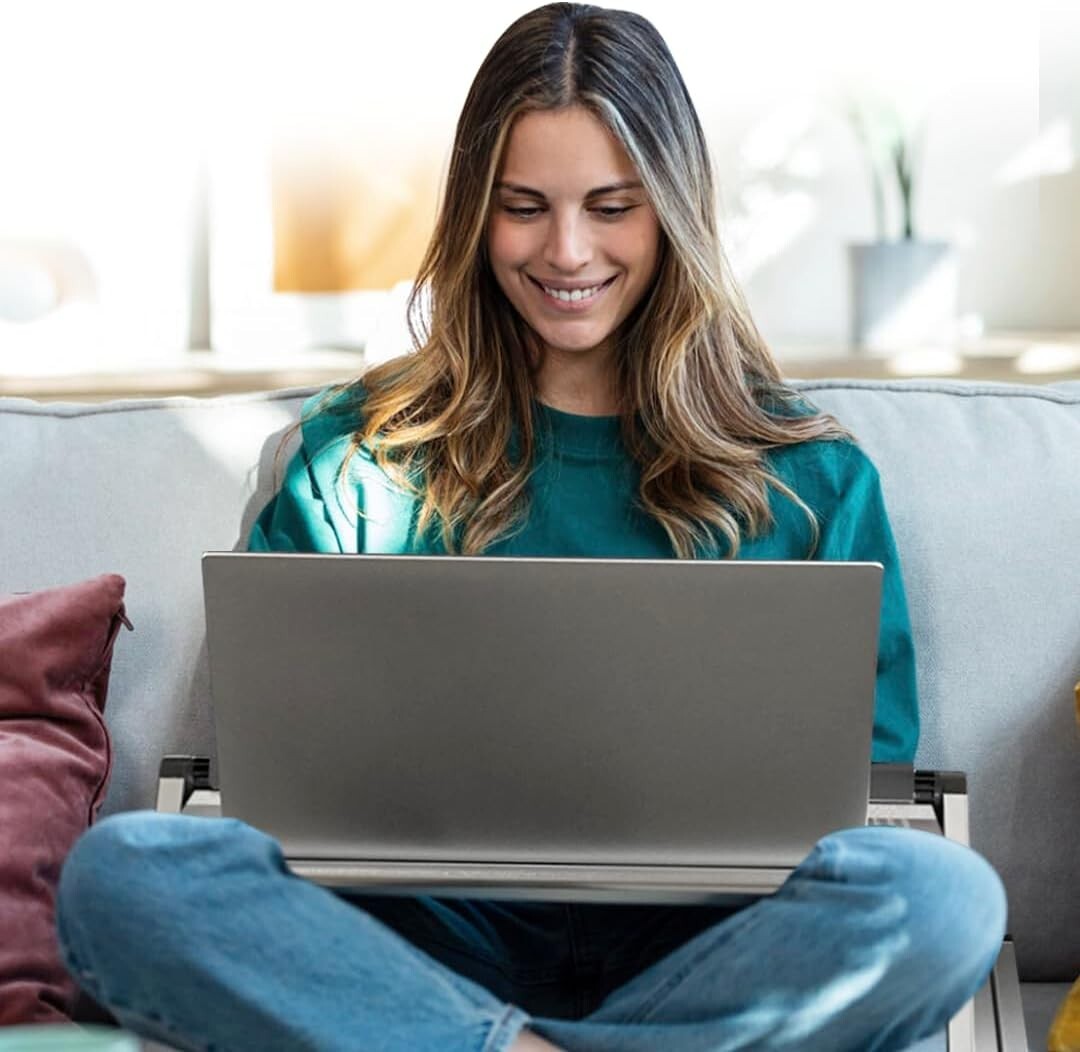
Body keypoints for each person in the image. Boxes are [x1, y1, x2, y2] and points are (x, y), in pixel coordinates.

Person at [55, 4, 1007, 1050]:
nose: (568, 251)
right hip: (411, 949)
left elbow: (854, 793)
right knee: (122, 871)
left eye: (612, 206)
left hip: (711, 954)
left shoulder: (811, 476)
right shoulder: (353, 460)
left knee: (943, 895)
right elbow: (275, 775)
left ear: (673, 211)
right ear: (475, 212)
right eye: (523, 206)